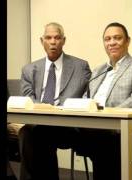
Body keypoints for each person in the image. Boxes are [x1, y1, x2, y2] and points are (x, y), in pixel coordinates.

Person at [18, 22, 91, 180]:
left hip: (68, 126)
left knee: (36, 133)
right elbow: (28, 99)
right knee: (30, 132)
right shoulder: (29, 69)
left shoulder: (80, 66)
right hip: (39, 123)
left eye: (57, 38)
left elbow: (87, 96)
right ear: (41, 41)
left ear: (64, 40)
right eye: (48, 37)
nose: (53, 42)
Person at [79, 22, 132, 180]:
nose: (112, 42)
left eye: (117, 38)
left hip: (118, 126)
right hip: (91, 125)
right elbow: (87, 97)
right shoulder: (99, 70)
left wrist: (109, 115)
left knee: (102, 144)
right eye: (107, 39)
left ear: (127, 41)